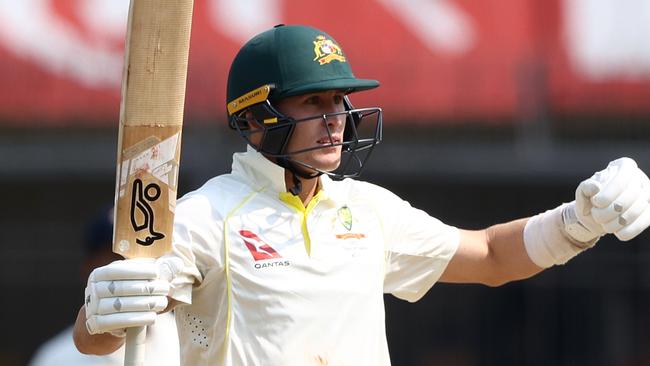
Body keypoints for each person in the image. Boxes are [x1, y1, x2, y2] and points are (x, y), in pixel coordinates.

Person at [72, 24, 650, 366]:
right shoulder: (203, 217)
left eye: (340, 102)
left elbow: (493, 257)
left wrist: (579, 222)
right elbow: (98, 340)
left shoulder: (367, 209)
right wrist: (98, 314)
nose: (336, 121)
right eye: (314, 103)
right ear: (254, 119)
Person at [30, 207, 180, 366]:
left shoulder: (181, 338)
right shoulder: (57, 359)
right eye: (116, 257)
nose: (130, 266)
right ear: (88, 267)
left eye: (140, 254)